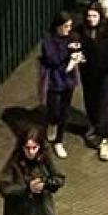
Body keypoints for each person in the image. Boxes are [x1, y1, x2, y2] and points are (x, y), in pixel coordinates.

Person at [77, 4, 108, 161]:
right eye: (89, 16)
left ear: (100, 17)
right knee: (90, 101)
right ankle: (94, 126)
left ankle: (103, 138)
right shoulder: (81, 31)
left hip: (107, 74)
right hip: (88, 74)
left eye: (94, 16)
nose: (91, 20)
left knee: (105, 104)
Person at [37, 12, 81, 158]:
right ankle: (52, 122)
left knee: (65, 110)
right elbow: (52, 58)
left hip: (68, 79)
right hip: (54, 79)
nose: (69, 29)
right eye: (66, 26)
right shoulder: (48, 39)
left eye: (70, 26)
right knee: (53, 107)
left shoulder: (72, 37)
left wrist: (78, 56)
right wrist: (68, 54)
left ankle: (59, 141)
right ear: (58, 26)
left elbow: (78, 48)